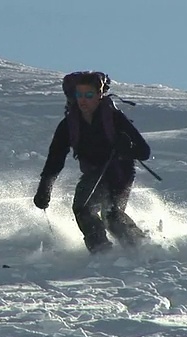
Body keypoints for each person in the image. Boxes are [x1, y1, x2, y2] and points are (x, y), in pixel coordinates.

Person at [33, 71, 151, 254]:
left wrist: (125, 147)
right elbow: (55, 160)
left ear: (99, 95)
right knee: (82, 209)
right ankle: (101, 252)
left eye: (89, 95)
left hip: (120, 172)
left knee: (112, 216)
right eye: (79, 95)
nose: (83, 100)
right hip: (93, 173)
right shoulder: (67, 125)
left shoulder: (115, 119)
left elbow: (144, 152)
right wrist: (44, 188)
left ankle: (141, 248)